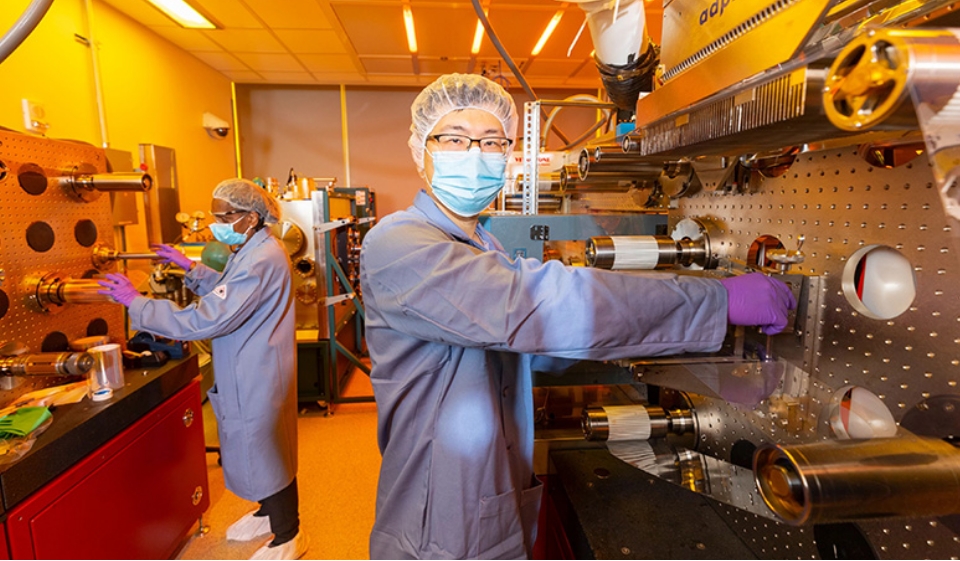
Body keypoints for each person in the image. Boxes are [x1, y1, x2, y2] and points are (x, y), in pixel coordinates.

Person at [359, 73, 796, 560]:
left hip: (490, 492)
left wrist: (642, 335)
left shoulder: (485, 243)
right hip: (435, 509)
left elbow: (535, 346)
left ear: (507, 152)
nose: (475, 154)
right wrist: (714, 303)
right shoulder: (398, 244)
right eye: (456, 139)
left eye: (490, 141)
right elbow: (531, 307)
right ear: (422, 149)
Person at [97, 178, 307, 561]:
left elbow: (208, 318)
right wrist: (188, 267)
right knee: (256, 446)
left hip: (255, 368)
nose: (217, 222)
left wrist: (138, 303)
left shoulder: (261, 256)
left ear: (250, 216)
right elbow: (229, 289)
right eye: (215, 215)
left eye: (225, 215)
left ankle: (289, 534)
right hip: (249, 362)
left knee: (265, 448)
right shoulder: (253, 247)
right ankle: (267, 513)